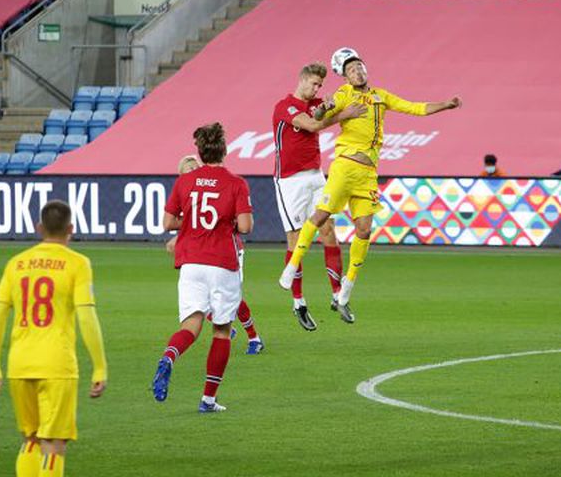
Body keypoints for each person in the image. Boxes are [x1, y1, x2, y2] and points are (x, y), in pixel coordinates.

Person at [279, 47, 462, 323]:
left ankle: (345, 292)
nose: (358, 71)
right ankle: (291, 267)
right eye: (351, 69)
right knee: (321, 216)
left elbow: (415, 108)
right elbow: (317, 118)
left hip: (368, 174)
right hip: (344, 167)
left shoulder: (381, 96)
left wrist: (445, 104)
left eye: (360, 66)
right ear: (345, 77)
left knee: (364, 230)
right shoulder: (343, 95)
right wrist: (328, 108)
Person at [0, 200, 108, 477]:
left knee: (29, 438)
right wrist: (99, 365)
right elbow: (86, 317)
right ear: (71, 230)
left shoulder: (16, 263)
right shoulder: (78, 264)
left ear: (39, 228)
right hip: (58, 365)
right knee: (55, 445)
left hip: (19, 364)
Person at [152, 123, 253, 413]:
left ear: (200, 151)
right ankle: (208, 399)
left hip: (191, 263)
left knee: (191, 325)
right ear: (224, 149)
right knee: (221, 330)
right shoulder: (236, 183)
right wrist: (227, 222)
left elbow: (168, 223)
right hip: (221, 262)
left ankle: (169, 357)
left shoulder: (185, 182)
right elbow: (245, 227)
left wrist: (194, 222)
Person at [272, 62, 366, 331]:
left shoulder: (316, 103)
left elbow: (321, 111)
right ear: (301, 80)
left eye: (319, 85)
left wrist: (332, 107)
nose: (316, 88)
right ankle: (299, 302)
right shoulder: (285, 106)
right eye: (313, 83)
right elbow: (312, 125)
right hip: (289, 181)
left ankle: (337, 294)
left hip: (315, 175)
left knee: (328, 230)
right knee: (295, 239)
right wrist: (342, 114)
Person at [169, 154, 264, 354]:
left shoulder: (218, 189)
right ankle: (224, 323)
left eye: (195, 168)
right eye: (189, 172)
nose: (194, 174)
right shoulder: (189, 196)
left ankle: (254, 337)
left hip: (230, 250)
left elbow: (239, 222)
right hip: (205, 256)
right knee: (208, 299)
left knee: (234, 298)